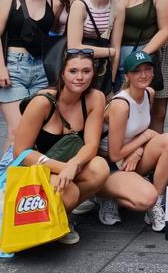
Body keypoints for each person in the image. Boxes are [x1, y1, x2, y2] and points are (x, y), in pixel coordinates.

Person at [12, 49, 111, 244]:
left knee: (100, 168)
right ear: (62, 73)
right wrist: (63, 169)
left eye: (86, 71)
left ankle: (61, 216)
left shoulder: (95, 98)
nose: (80, 77)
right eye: (73, 71)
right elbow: (21, 152)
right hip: (39, 166)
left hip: (70, 165)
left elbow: (91, 144)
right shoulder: (42, 102)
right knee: (70, 191)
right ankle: (49, 219)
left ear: (94, 74)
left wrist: (73, 164)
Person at [97, 51, 168, 231]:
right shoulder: (120, 104)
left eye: (148, 69)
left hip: (130, 158)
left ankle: (156, 204)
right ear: (126, 75)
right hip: (109, 164)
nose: (143, 75)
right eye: (137, 71)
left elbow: (140, 133)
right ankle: (106, 195)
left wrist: (139, 149)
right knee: (144, 199)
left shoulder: (149, 93)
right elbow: (114, 153)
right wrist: (145, 138)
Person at [0, 0, 56, 150]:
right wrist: (1, 68)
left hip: (42, 69)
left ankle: (26, 179)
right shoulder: (10, 1)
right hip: (13, 67)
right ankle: (5, 179)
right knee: (17, 130)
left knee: (35, 130)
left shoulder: (54, 2)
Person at [112, 0, 168, 127]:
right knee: (113, 108)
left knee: (138, 113)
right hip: (112, 55)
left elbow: (165, 29)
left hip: (141, 55)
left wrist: (141, 56)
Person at [65, 0, 120, 97]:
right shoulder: (80, 4)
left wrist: (111, 82)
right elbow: (74, 46)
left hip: (102, 69)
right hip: (78, 68)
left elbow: (117, 48)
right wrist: (110, 52)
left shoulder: (118, 7)